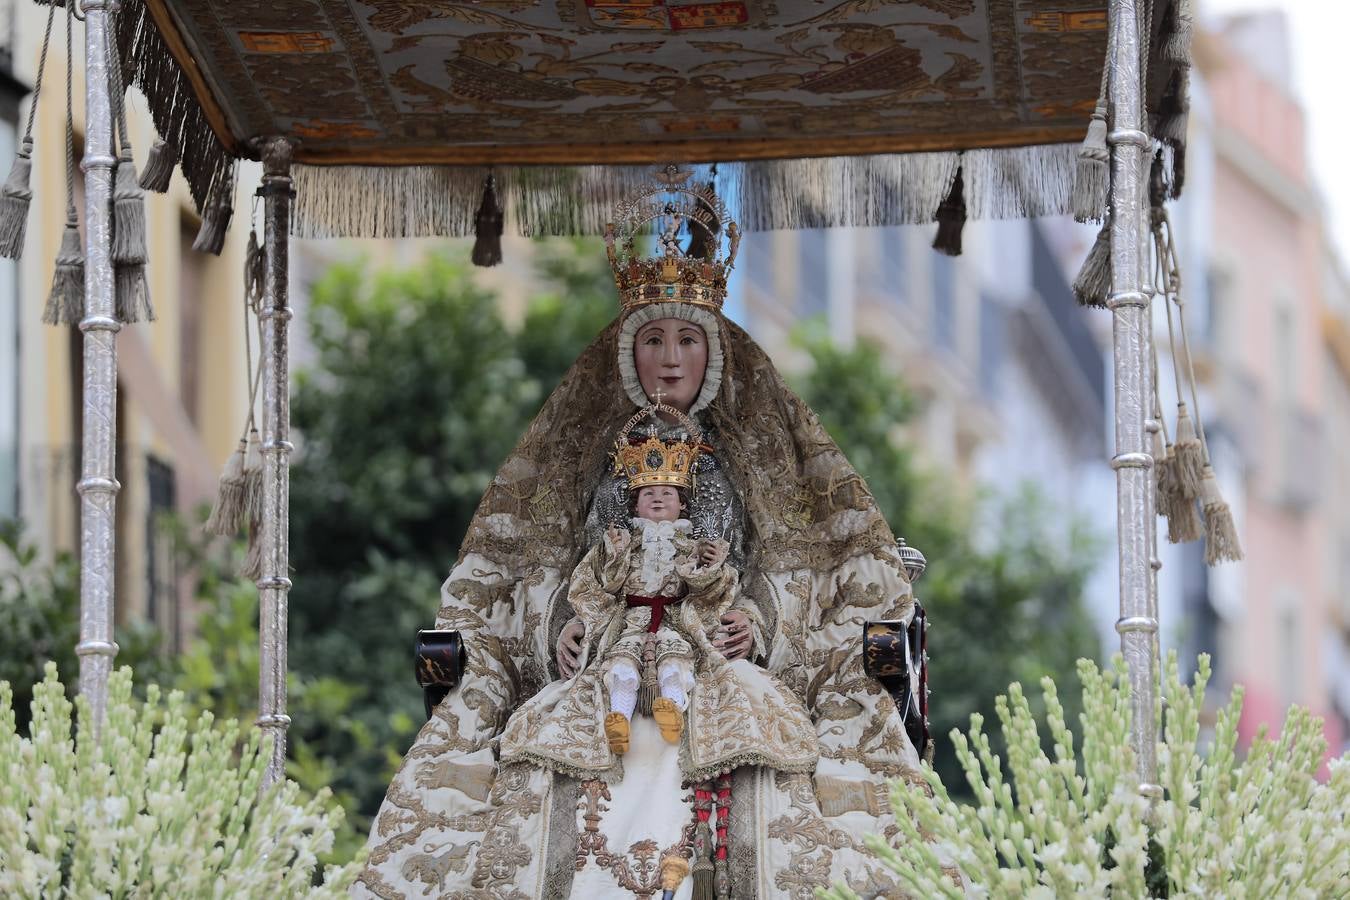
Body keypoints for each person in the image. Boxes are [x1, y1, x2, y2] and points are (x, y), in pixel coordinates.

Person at [355, 174, 937, 900]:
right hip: (604, 664)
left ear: (712, 353)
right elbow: (530, 572)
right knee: (548, 749)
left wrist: (749, 622)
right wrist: (563, 631)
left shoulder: (761, 456)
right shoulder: (581, 459)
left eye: (687, 340)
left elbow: (799, 574)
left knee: (755, 752)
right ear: (629, 354)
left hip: (718, 664)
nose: (669, 359)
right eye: (655, 340)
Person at [497, 405, 818, 798]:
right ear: (634, 504)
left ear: (684, 503)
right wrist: (577, 617)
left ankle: (672, 705)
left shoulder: (691, 542)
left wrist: (734, 597)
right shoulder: (621, 540)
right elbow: (578, 575)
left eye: (667, 493)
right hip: (625, 625)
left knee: (682, 666)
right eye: (649, 494)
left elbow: (776, 569)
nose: (670, 359)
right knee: (618, 668)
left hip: (686, 628)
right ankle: (617, 713)